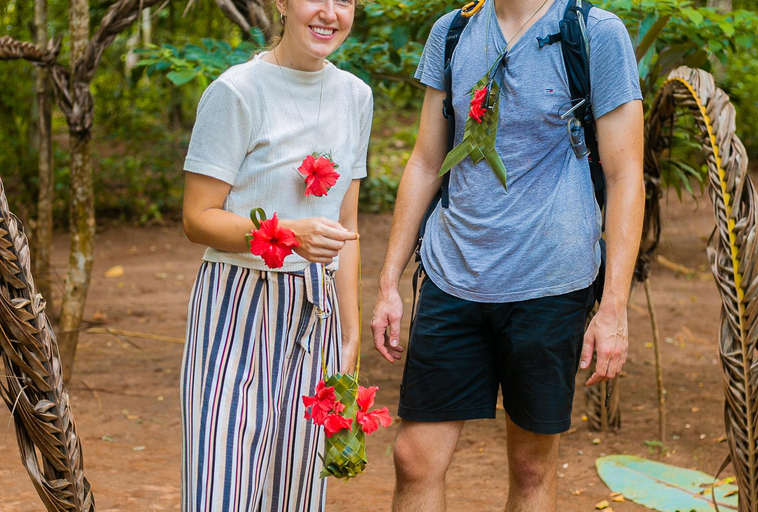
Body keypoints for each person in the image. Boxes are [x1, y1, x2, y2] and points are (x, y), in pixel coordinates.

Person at [370, 0, 643, 509]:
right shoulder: (453, 29)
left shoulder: (594, 32)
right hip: (452, 274)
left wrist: (613, 309)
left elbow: (626, 176)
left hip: (550, 282)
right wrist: (389, 281)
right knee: (412, 457)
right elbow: (426, 161)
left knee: (531, 466)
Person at [179, 0, 373, 510]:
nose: (330, 13)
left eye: (346, 1)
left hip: (318, 310)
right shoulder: (236, 91)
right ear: (282, 3)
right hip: (236, 305)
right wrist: (287, 233)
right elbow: (197, 217)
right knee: (221, 485)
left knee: (297, 492)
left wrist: (349, 339)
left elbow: (346, 227)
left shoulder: (356, 96)